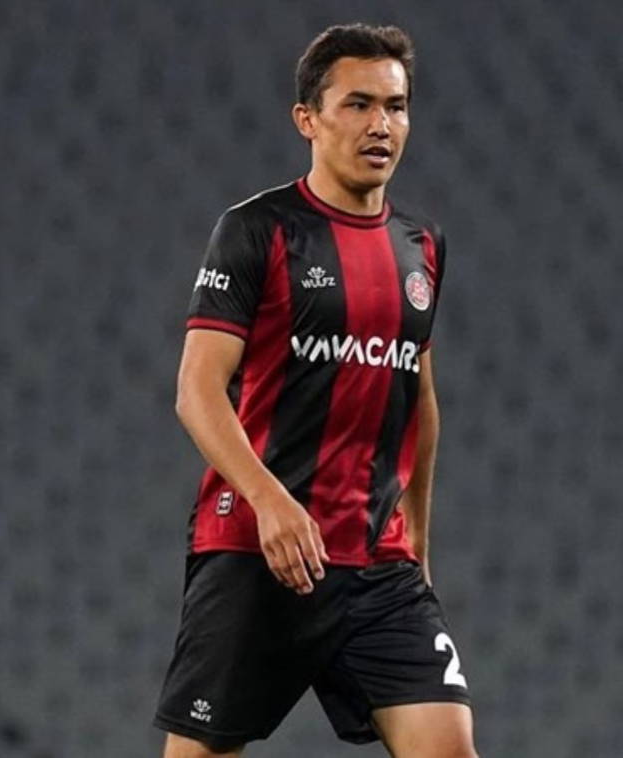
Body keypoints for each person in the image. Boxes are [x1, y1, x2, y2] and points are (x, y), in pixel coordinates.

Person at [153, 23, 476, 758]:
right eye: (358, 105)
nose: (380, 125)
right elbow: (197, 391)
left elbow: (417, 396)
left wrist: (416, 539)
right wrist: (269, 501)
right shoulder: (257, 231)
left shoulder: (422, 245)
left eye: (395, 107)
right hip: (259, 551)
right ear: (308, 119)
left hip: (377, 564)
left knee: (449, 747)